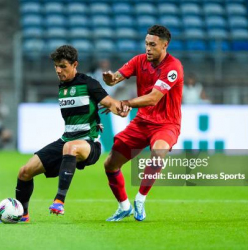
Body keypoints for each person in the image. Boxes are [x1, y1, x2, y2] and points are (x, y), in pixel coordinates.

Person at [14, 45, 129, 222]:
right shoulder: (63, 85)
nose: (58, 71)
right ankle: (22, 215)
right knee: (24, 172)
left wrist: (120, 109)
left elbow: (109, 102)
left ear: (75, 64)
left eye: (63, 66)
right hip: (66, 140)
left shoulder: (88, 83)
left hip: (89, 144)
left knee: (71, 146)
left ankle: (59, 200)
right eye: (56, 67)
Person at [102, 25, 184, 221]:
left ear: (165, 45)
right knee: (110, 165)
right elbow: (116, 79)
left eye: (153, 45)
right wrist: (110, 79)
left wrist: (125, 103)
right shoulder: (140, 60)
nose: (148, 48)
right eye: (146, 44)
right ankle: (124, 206)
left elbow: (153, 98)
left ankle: (140, 199)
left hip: (167, 123)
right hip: (141, 123)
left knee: (158, 153)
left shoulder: (173, 67)